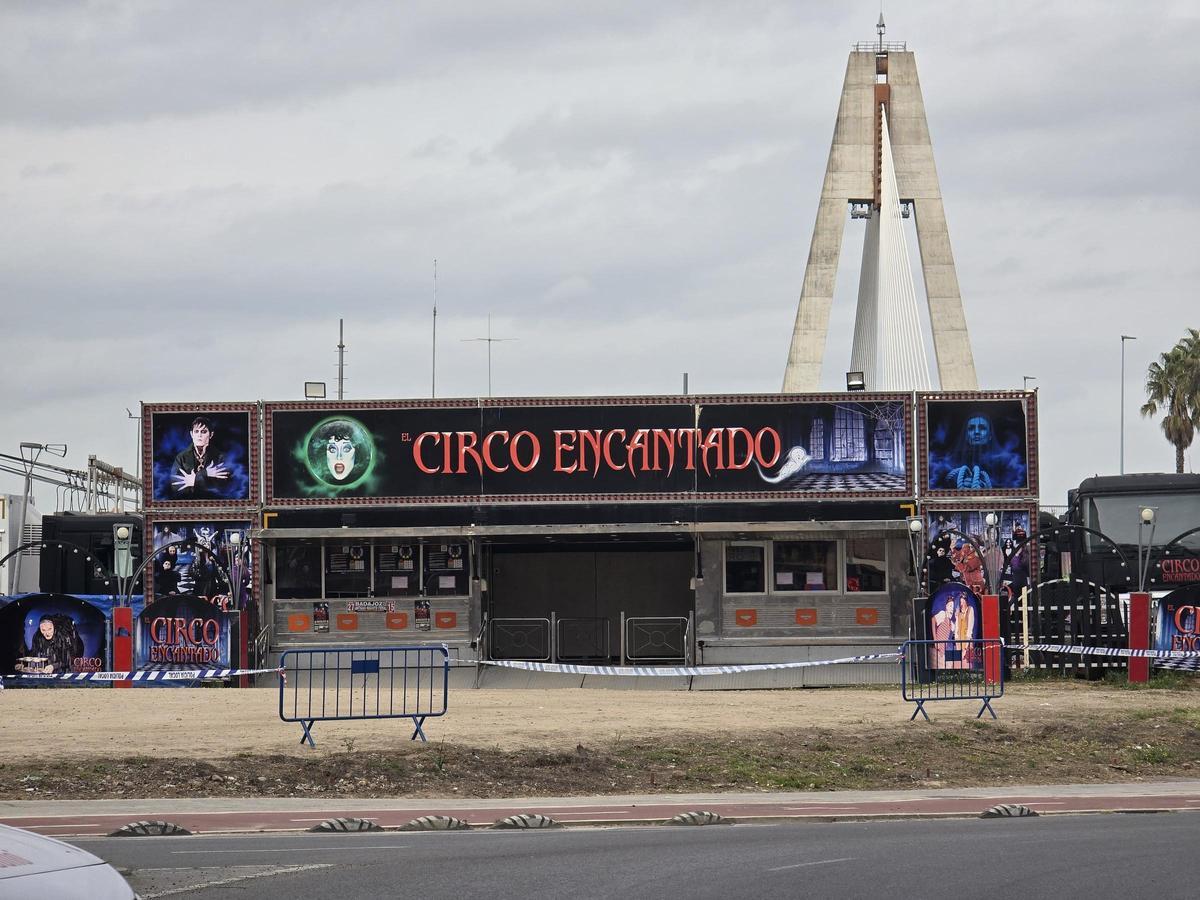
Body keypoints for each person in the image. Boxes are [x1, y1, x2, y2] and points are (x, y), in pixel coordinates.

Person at [939, 412, 1024, 490]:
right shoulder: (950, 462)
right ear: (966, 436)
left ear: (990, 435)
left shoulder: (1007, 464)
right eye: (971, 428)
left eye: (982, 428)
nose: (976, 432)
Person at [170, 416, 230, 498]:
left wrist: (194, 481)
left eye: (203, 431)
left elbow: (222, 488)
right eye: (196, 431)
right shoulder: (181, 457)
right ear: (191, 434)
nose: (199, 435)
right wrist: (205, 474)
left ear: (211, 435)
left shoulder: (220, 457)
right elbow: (175, 486)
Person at [15, 615, 81, 674]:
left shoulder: (63, 637)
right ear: (40, 629)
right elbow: (34, 655)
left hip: (62, 674)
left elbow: (67, 660)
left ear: (54, 627)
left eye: (49, 629)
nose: (47, 633)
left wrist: (53, 666)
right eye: (43, 630)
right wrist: (23, 664)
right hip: (44, 674)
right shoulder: (37, 637)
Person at [955, 593, 976, 668]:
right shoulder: (959, 613)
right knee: (959, 663)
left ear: (966, 602)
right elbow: (956, 629)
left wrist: (966, 645)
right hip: (959, 640)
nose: (962, 604)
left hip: (967, 640)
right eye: (961, 602)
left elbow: (970, 628)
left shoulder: (970, 609)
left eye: (963, 602)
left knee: (967, 663)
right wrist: (957, 641)